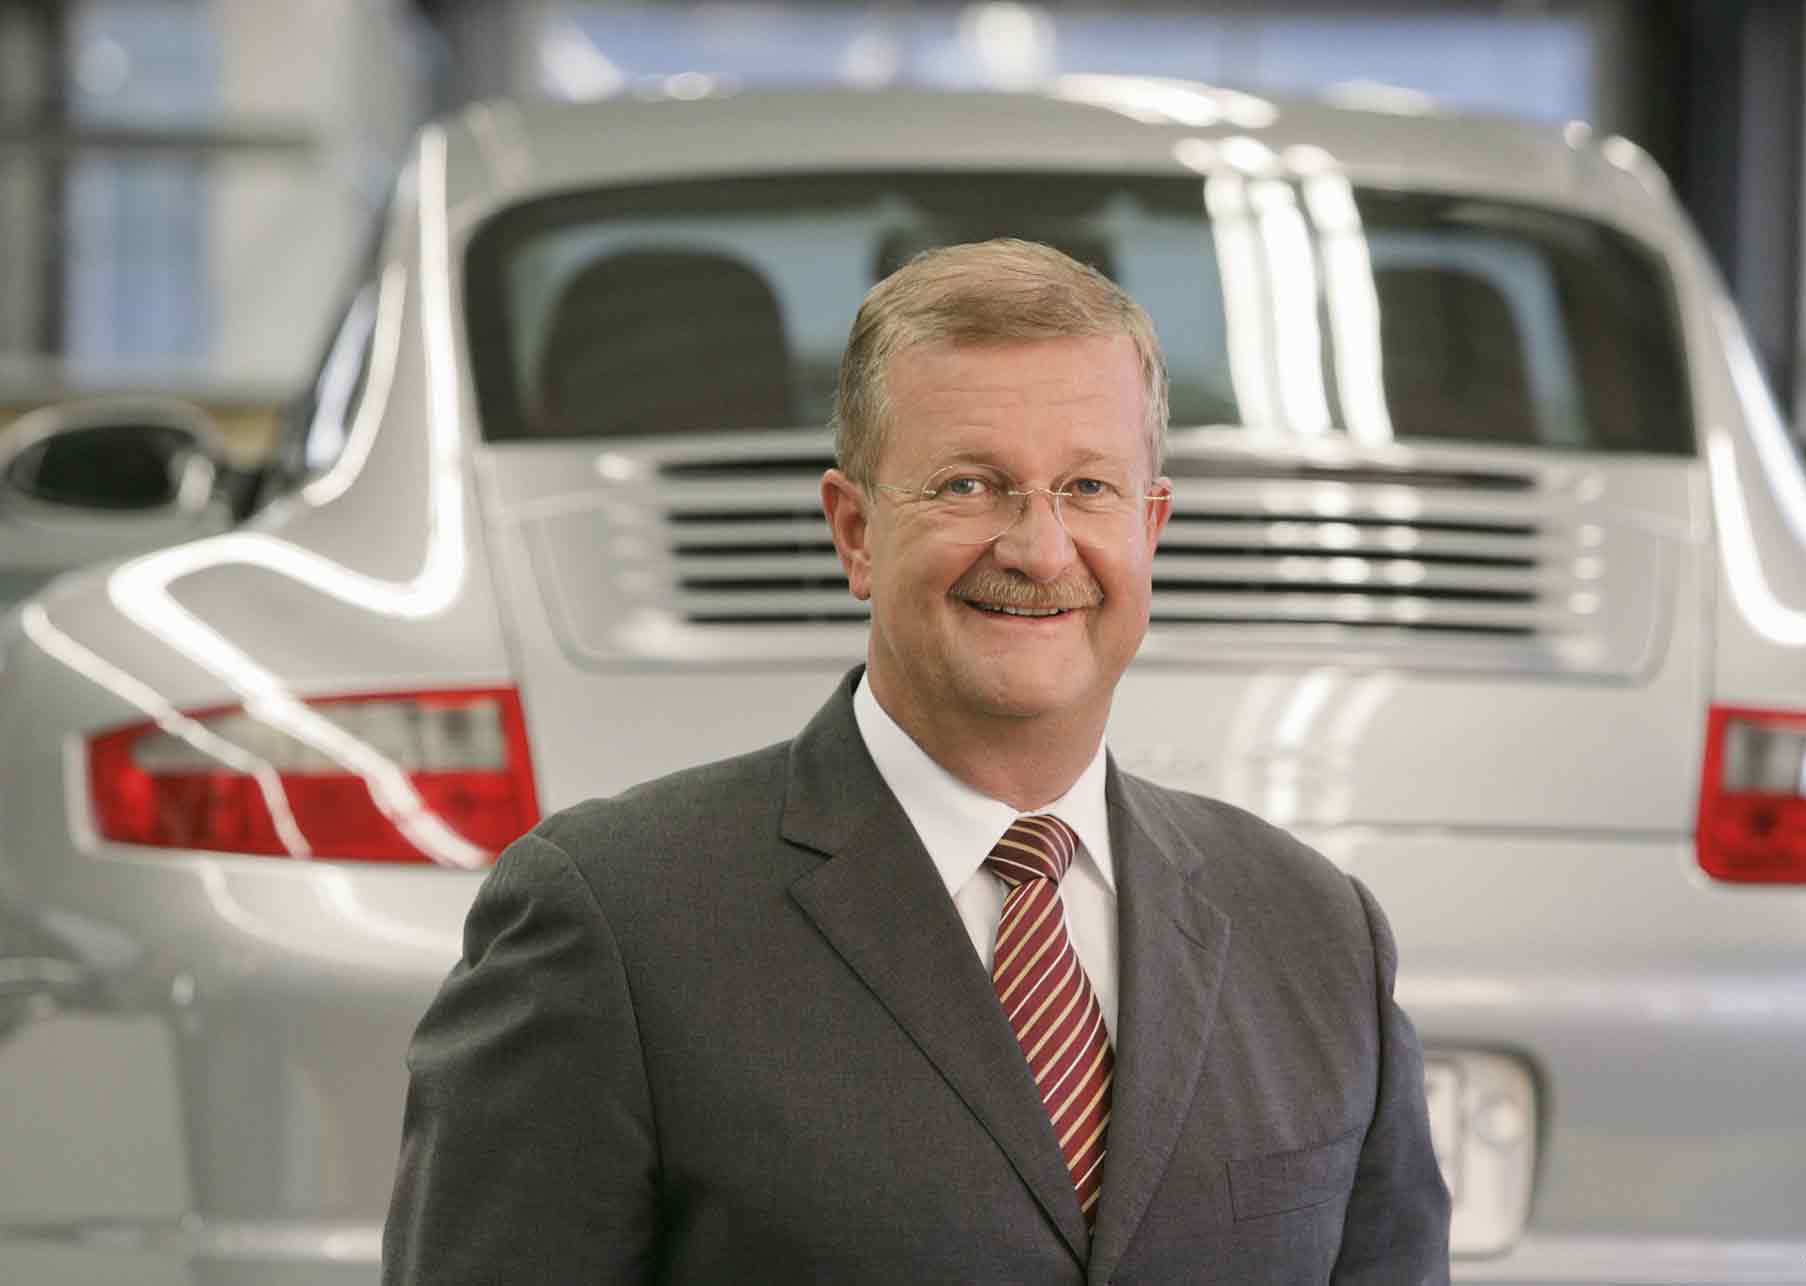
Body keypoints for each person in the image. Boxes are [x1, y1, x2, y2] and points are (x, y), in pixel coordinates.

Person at [384, 239, 1450, 1284]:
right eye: (969, 486)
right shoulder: (613, 924)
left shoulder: (1318, 935)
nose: (1039, 548)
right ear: (854, 531)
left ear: (1150, 526)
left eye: (1087, 487)